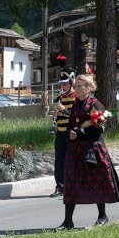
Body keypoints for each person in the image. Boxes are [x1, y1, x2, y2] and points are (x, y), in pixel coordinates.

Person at [58, 74, 119, 229]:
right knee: (71, 183)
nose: (76, 89)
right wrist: (69, 133)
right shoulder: (74, 105)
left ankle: (102, 216)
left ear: (88, 88)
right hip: (75, 150)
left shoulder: (95, 104)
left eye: (80, 86)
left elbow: (98, 127)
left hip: (92, 149)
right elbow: (69, 126)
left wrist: (80, 132)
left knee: (97, 182)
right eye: (76, 86)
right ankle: (68, 221)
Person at [49, 56, 77, 198]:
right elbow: (60, 115)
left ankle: (73, 185)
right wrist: (55, 114)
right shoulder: (61, 97)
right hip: (60, 132)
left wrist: (64, 110)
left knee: (71, 161)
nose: (63, 86)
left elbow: (76, 117)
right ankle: (59, 186)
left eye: (65, 84)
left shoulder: (77, 97)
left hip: (70, 133)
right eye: (62, 84)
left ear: (72, 83)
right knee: (59, 161)